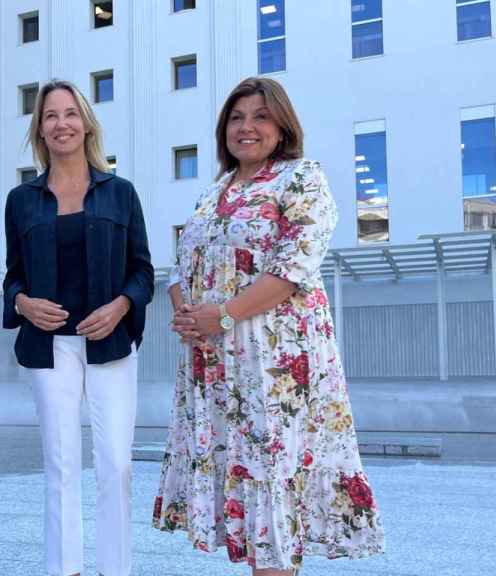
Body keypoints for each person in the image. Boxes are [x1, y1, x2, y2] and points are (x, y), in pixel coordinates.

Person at [153, 77, 385, 575]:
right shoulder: (213, 192)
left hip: (276, 368)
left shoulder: (301, 179)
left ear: (282, 126)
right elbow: (181, 268)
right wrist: (189, 315)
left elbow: (292, 267)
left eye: (259, 116)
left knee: (274, 483)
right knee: (244, 483)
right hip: (217, 364)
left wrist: (223, 314)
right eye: (236, 118)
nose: (247, 127)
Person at [2, 79, 154, 576]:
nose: (61, 123)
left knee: (116, 464)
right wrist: (22, 303)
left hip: (109, 343)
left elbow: (143, 271)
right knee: (61, 466)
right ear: (40, 130)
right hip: (50, 349)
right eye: (51, 116)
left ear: (86, 123)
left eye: (70, 113)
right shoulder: (21, 200)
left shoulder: (121, 193)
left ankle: (116, 570)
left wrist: (119, 306)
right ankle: (64, 570)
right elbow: (12, 278)